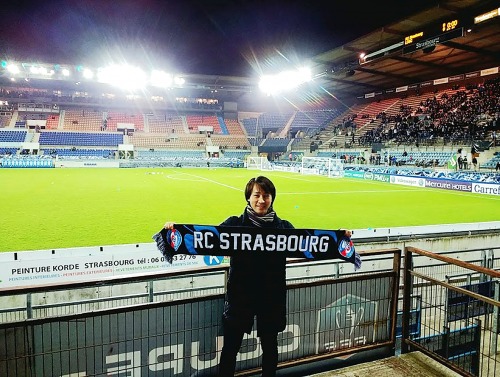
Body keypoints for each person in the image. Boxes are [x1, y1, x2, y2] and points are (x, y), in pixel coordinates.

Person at [163, 176, 352, 376]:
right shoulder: (234, 225)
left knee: (270, 348)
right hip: (240, 297)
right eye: (257, 195)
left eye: (266, 195)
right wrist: (175, 232)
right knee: (230, 349)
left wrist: (338, 238)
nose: (261, 200)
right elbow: (205, 240)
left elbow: (310, 244)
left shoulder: (284, 228)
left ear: (272, 198)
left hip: (271, 298)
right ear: (248, 198)